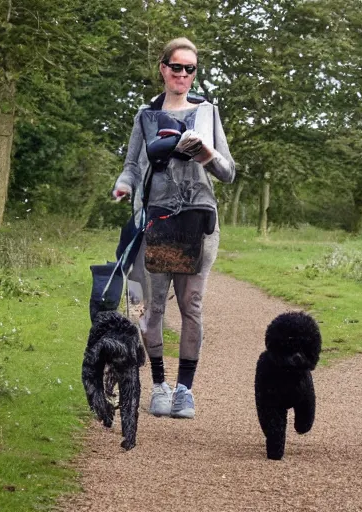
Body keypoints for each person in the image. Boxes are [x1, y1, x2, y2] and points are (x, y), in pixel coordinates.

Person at [112, 37, 236, 420]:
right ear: (163, 68)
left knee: (191, 305)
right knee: (150, 308)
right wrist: (123, 185)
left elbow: (228, 172)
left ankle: (186, 390)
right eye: (177, 67)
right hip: (156, 220)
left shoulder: (208, 112)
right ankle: (159, 387)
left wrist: (206, 154)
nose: (183, 75)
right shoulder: (145, 115)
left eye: (191, 69)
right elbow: (132, 165)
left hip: (198, 221)